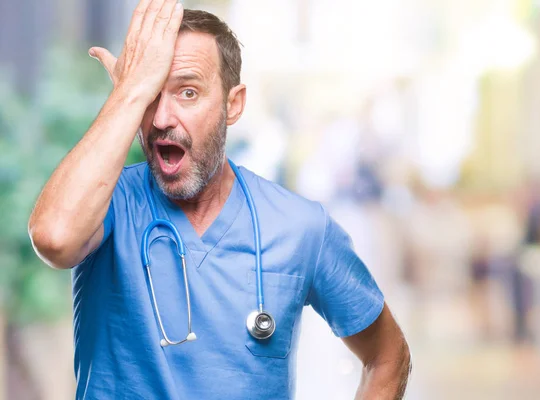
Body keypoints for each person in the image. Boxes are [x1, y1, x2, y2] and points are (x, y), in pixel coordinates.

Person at [27, 1, 411, 399]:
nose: (161, 119)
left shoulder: (300, 227)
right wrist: (128, 92)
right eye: (151, 94)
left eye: (187, 92)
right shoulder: (106, 206)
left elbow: (388, 354)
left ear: (233, 104)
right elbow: (55, 238)